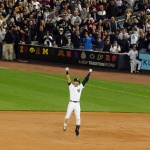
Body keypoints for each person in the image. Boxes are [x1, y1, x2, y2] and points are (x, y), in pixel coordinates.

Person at [63, 67, 92, 136]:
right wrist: (67, 72)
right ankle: (65, 125)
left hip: (77, 104)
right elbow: (68, 79)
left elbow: (85, 80)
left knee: (78, 117)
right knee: (67, 117)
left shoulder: (80, 87)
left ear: (78, 82)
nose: (76, 82)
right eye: (75, 81)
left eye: (77, 81)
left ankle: (77, 129)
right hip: (71, 103)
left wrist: (89, 73)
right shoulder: (71, 86)